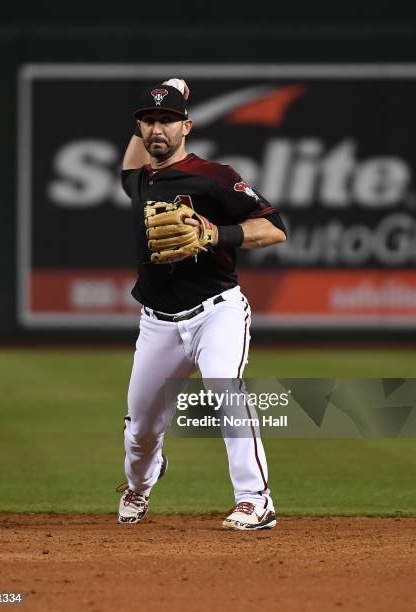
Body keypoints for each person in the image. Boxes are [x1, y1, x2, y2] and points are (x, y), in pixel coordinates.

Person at [117, 79, 287, 530]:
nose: (158, 129)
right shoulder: (139, 179)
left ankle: (255, 499)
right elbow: (130, 158)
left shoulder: (216, 176)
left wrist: (216, 234)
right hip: (157, 323)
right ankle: (141, 482)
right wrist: (168, 90)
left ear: (186, 127)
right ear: (140, 128)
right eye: (150, 121)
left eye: (168, 121)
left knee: (225, 391)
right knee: (140, 431)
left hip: (218, 310)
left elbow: (275, 229)